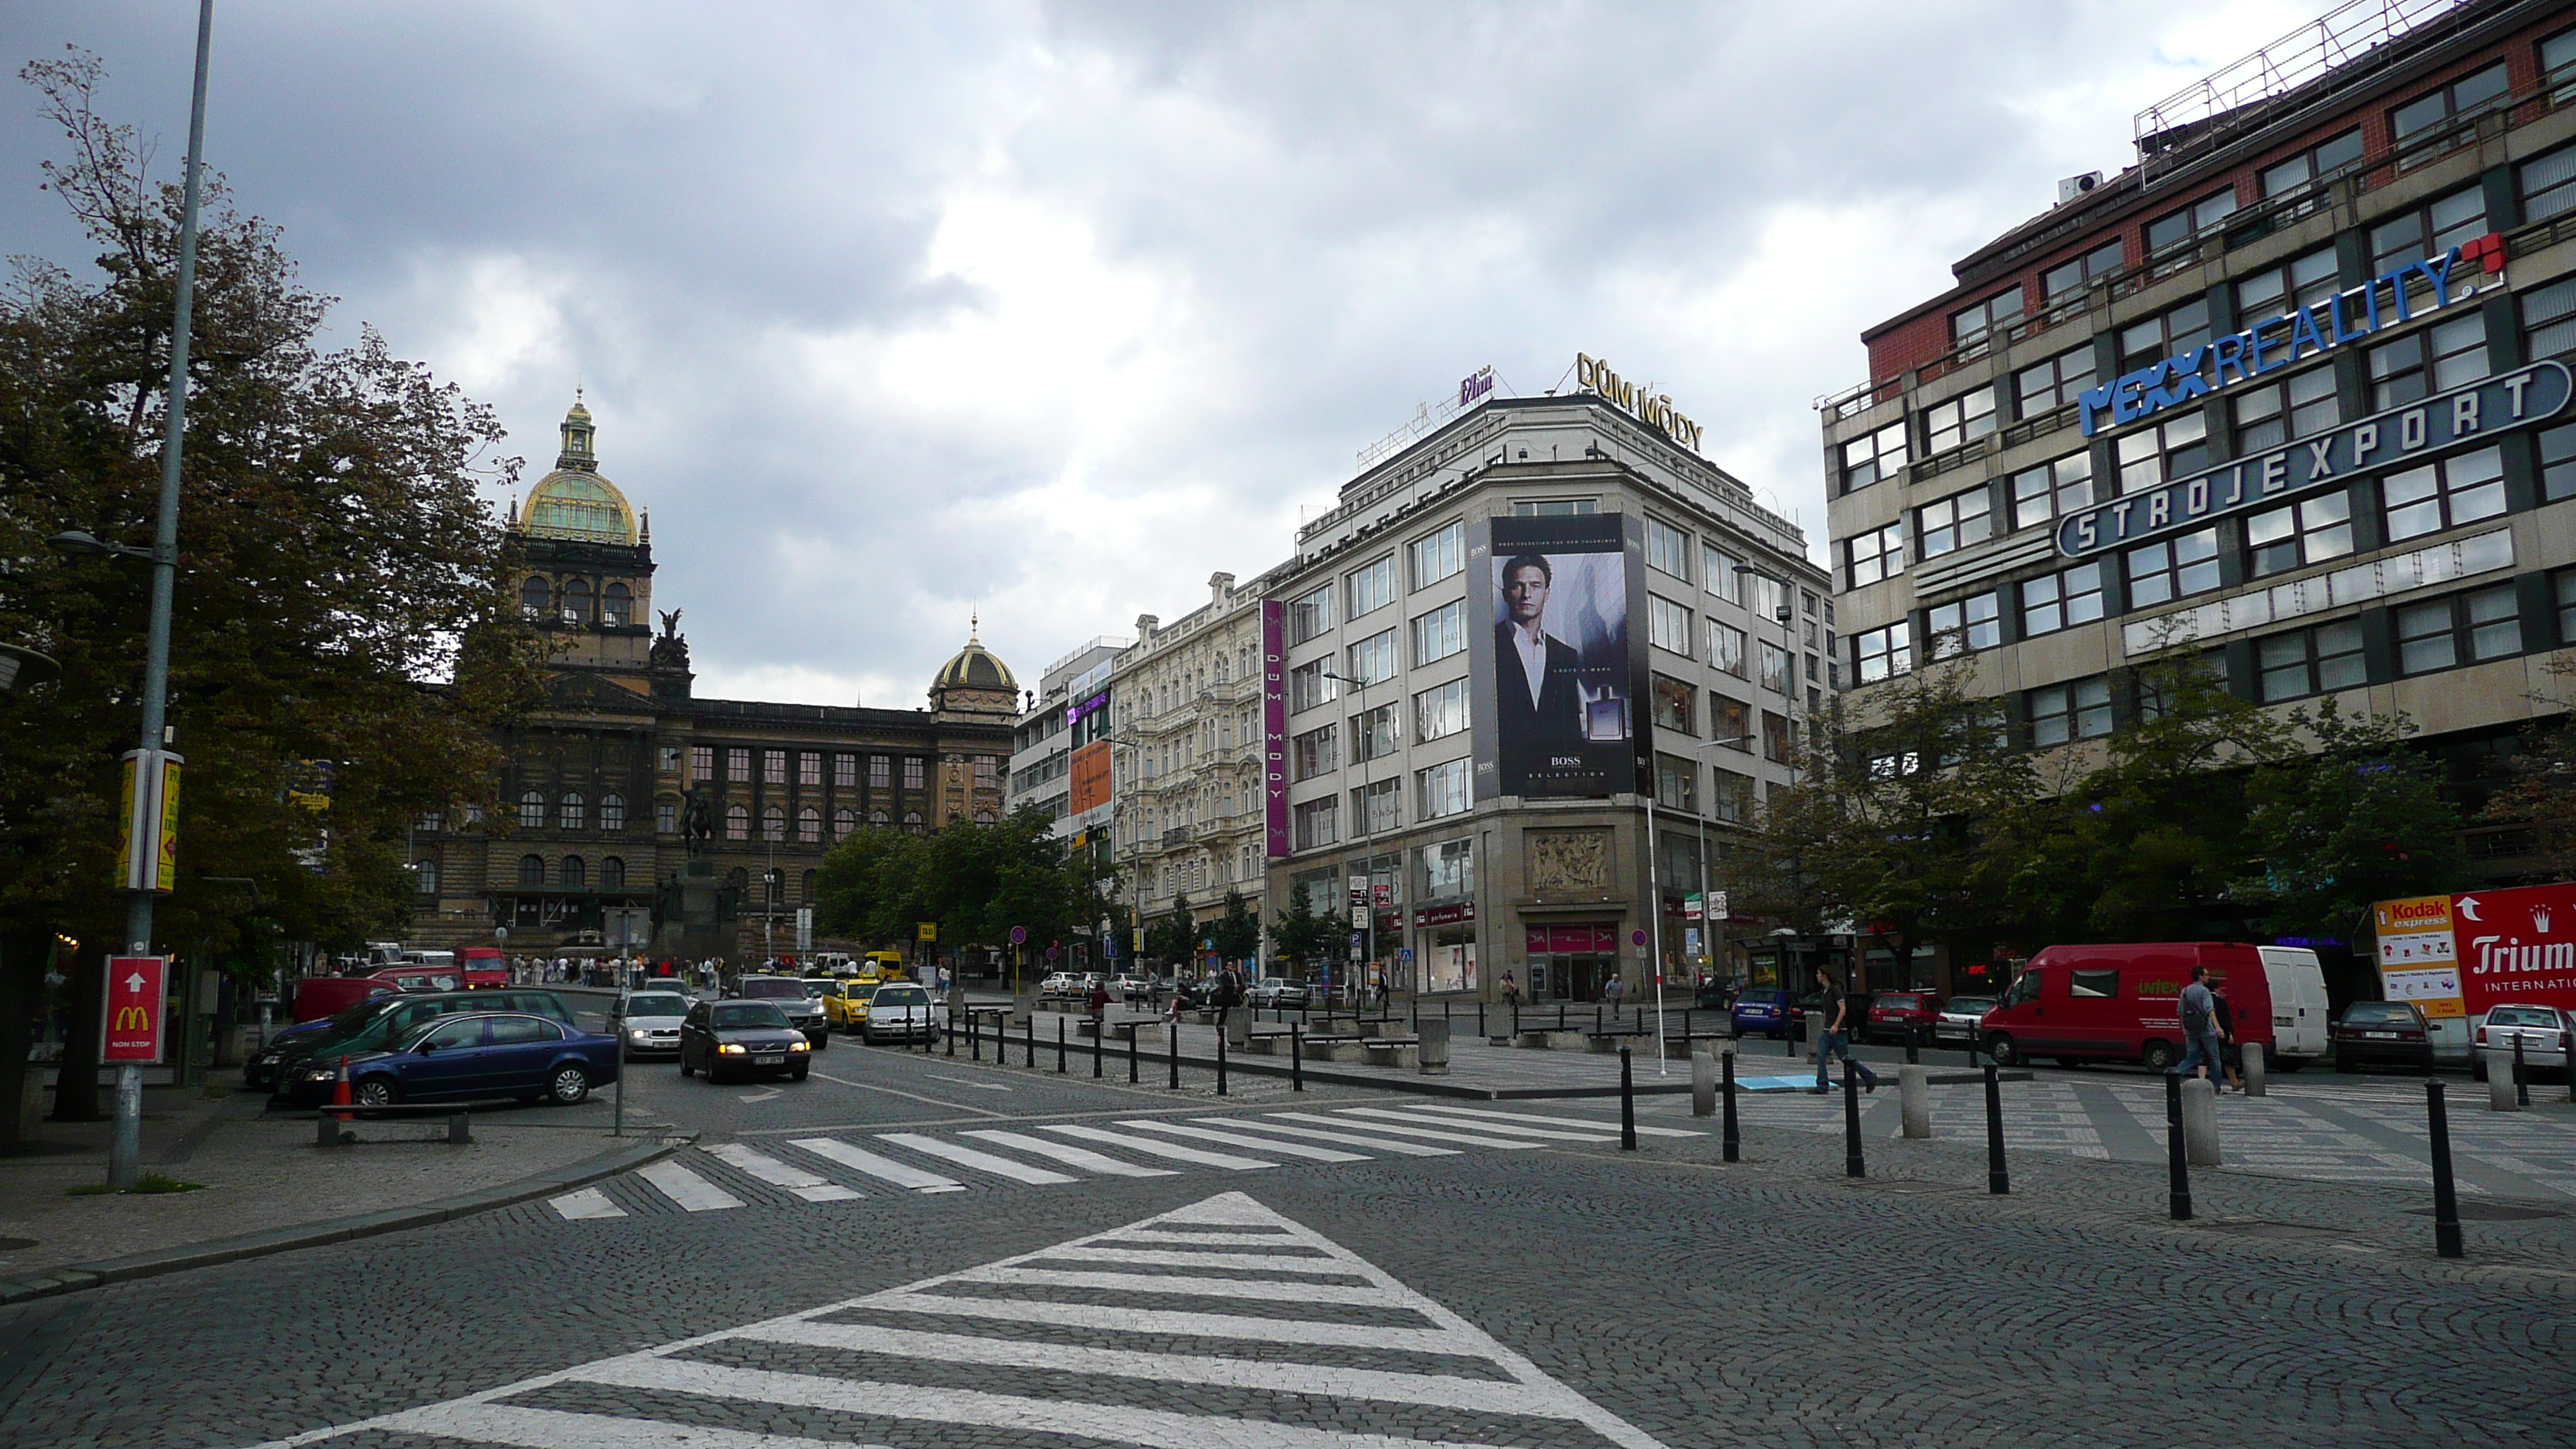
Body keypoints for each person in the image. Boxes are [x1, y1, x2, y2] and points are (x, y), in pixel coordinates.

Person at [1493, 554, 1588, 768]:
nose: (1527, 594)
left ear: (1547, 593)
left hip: (1557, 769)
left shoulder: (1566, 655)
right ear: (1506, 593)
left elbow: (1571, 723)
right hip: (1506, 769)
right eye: (1518, 586)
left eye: (1535, 586)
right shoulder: (1488, 646)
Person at [1811, 966, 1879, 1094]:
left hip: (1839, 1031)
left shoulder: (1835, 990)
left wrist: (1836, 1025)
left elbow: (1843, 1009)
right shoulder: (1824, 991)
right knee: (1820, 1056)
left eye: (1818, 973)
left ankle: (1870, 1077)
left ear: (1824, 975)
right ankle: (1822, 1085)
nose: (1817, 976)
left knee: (1845, 1058)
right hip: (1827, 1031)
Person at [2175, 964, 2226, 1089]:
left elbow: (2180, 1011)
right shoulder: (2204, 991)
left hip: (2190, 1030)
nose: (2209, 977)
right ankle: (2216, 1087)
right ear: (2200, 977)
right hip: (2206, 1030)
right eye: (2207, 975)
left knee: (2192, 1057)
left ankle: (2175, 1074)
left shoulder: (2185, 991)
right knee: (2214, 1058)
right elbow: (2210, 1010)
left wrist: (2186, 1027)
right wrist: (2218, 1028)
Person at [2211, 981, 2243, 1092]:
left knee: (2206, 1059)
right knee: (2227, 1059)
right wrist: (2230, 1034)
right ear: (2216, 988)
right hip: (2221, 1033)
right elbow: (2226, 1020)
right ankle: (2234, 1083)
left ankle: (2206, 1083)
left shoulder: (2203, 1000)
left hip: (2206, 1033)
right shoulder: (2220, 1002)